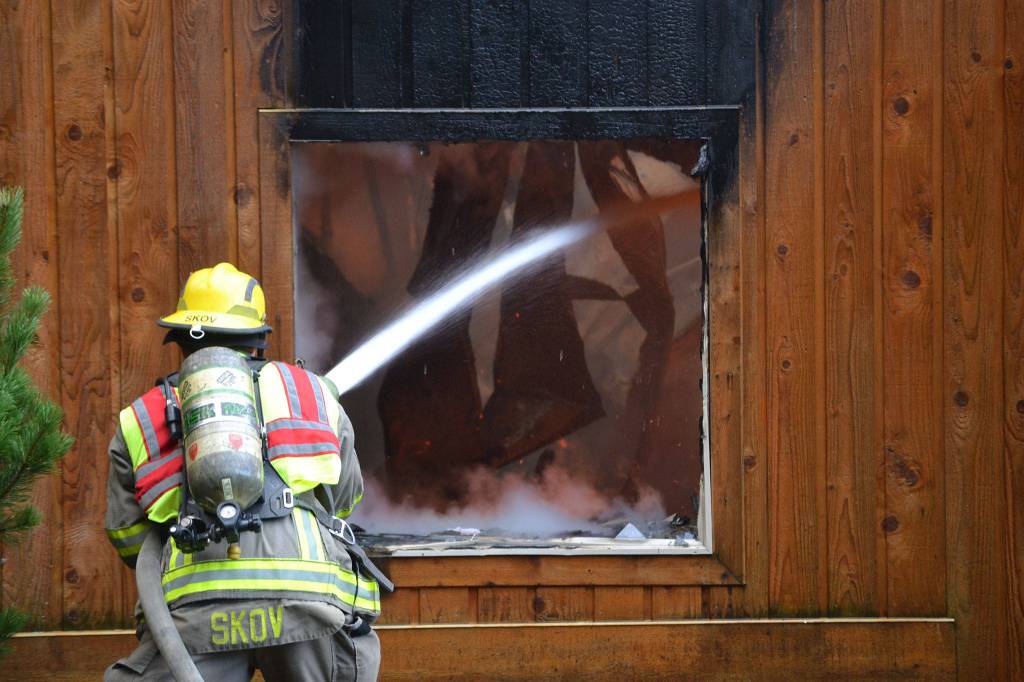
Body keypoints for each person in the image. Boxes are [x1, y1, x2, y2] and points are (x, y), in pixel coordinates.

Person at [103, 263, 383, 681]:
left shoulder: (140, 419)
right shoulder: (310, 394)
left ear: (181, 342)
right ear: (257, 342)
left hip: (196, 614)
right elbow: (343, 499)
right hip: (307, 602)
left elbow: (128, 536)